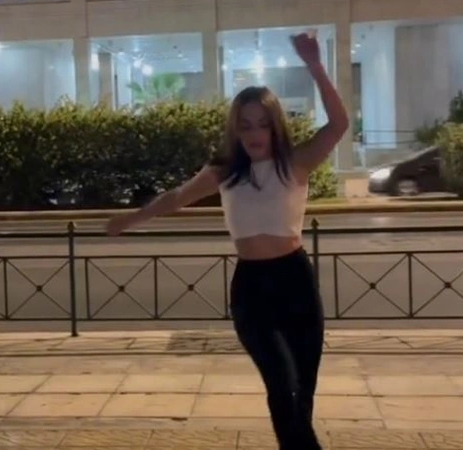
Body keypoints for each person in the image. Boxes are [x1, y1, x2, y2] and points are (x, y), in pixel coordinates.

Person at [106, 32, 348, 450]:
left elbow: (339, 124)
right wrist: (130, 219)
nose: (254, 133)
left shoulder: (296, 163)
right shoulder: (224, 171)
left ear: (275, 126)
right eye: (245, 124)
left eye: (262, 123)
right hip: (253, 292)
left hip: (296, 284)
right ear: (235, 130)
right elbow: (175, 198)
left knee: (301, 396)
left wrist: (315, 65)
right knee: (283, 385)